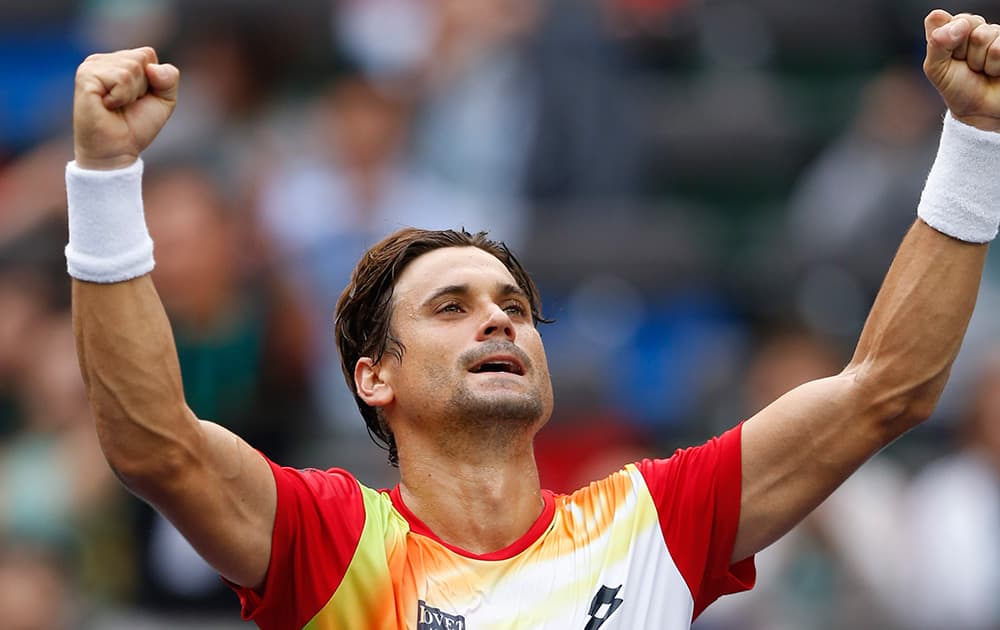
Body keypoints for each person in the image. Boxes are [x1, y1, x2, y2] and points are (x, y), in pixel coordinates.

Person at [66, 9, 1000, 629]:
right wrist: (105, 180)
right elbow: (156, 446)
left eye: (515, 306)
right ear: (373, 376)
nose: (500, 322)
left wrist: (974, 140)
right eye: (452, 306)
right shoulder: (335, 542)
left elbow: (888, 388)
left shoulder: (651, 524)